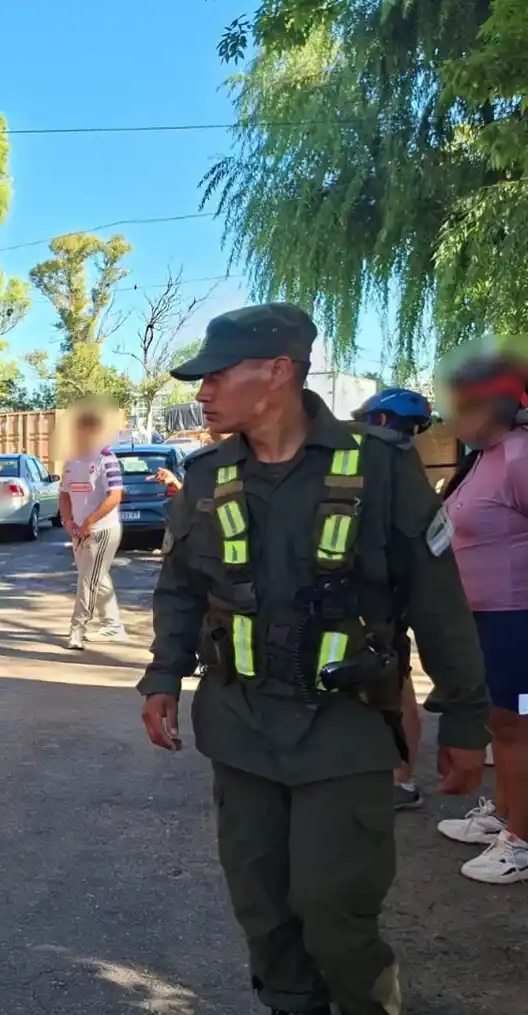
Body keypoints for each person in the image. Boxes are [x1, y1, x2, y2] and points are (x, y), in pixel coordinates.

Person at [138, 302, 489, 1015]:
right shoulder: (205, 477)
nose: (200, 391)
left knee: (336, 911)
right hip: (239, 726)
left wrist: (465, 720)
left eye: (215, 375)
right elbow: (179, 587)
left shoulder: (381, 468)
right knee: (264, 913)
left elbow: (438, 602)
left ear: (278, 371)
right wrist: (162, 675)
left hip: (344, 728)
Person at [433, 355, 528, 884]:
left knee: (522, 727)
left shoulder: (519, 457)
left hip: (519, 620)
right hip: (485, 619)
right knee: (502, 726)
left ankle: (522, 841)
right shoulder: (482, 458)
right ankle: (505, 817)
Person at [351, 388, 437, 811]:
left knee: (396, 686)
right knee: (389, 683)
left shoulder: (395, 467)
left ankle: (400, 778)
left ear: (383, 421)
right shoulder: (399, 465)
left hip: (386, 599)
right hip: (380, 597)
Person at [59, 409, 128, 650]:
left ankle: (77, 629)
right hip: (79, 532)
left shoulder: (106, 458)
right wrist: (69, 522)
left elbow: (115, 496)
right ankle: (113, 625)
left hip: (103, 530)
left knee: (88, 580)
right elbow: (65, 493)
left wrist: (89, 522)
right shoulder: (71, 460)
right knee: (97, 577)